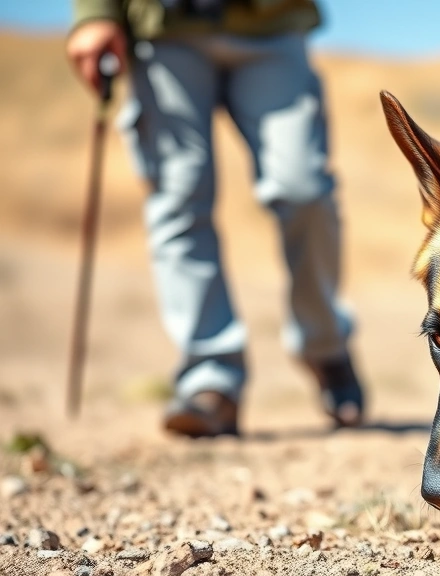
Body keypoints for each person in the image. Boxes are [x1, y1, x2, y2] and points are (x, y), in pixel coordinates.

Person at [66, 0, 365, 437]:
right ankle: (211, 380)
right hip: (163, 31)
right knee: (178, 199)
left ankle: (325, 345)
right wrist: (96, 14)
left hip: (272, 23)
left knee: (304, 189)